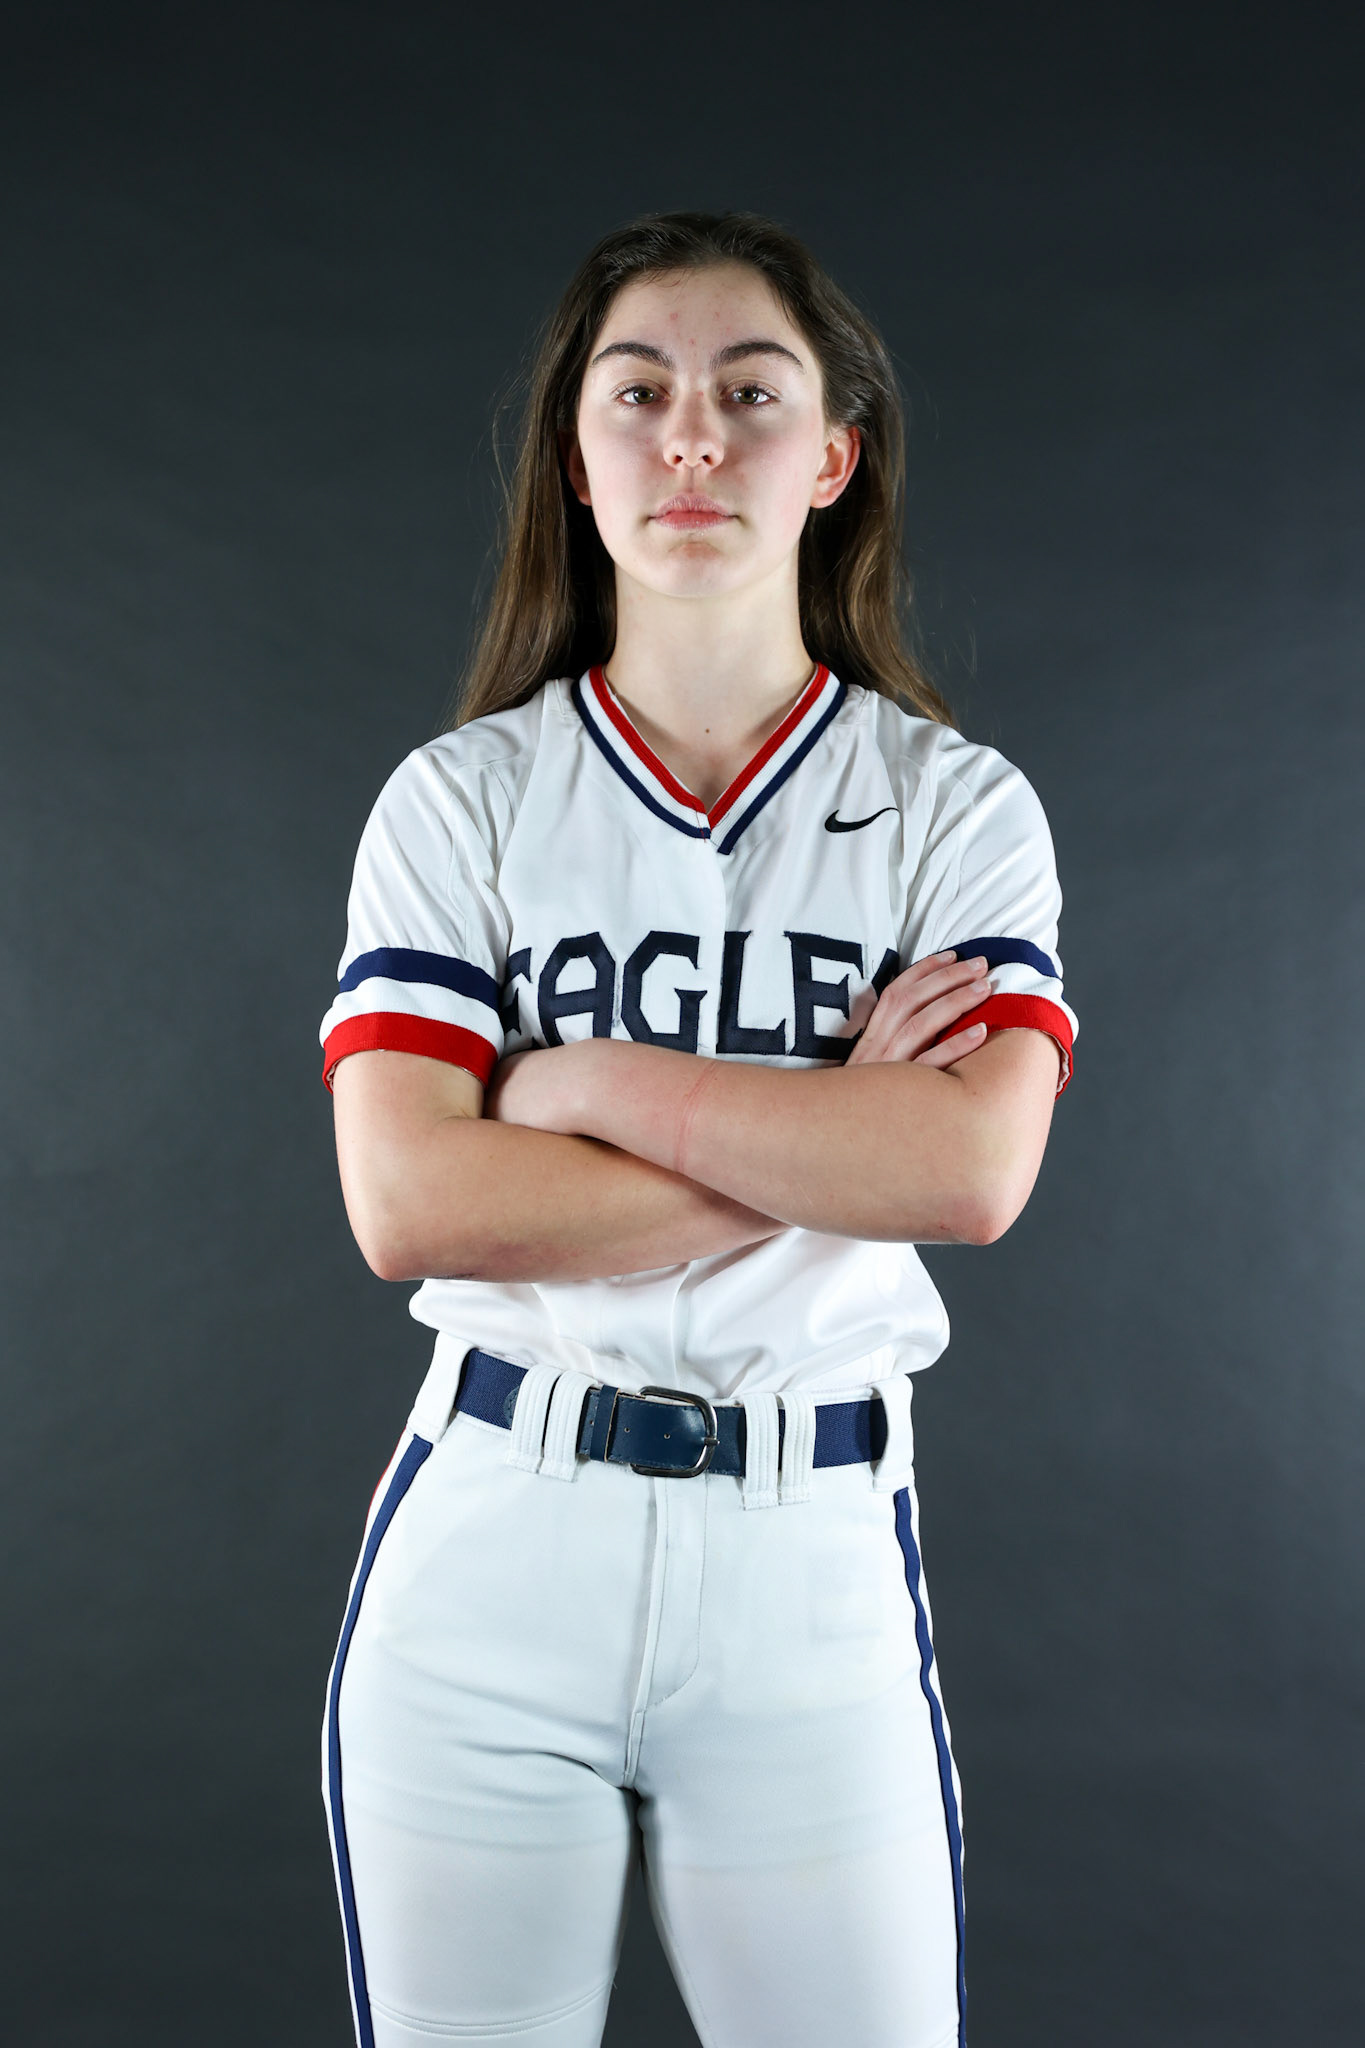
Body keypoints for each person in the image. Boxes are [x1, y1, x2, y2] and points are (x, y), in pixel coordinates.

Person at [317, 209, 1076, 2048]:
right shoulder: (463, 799)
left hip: (808, 1564)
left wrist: (578, 1092)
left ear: (830, 459)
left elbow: (964, 1174)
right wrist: (832, 1125)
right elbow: (410, 1201)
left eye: (750, 393)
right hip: (492, 1550)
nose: (690, 438)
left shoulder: (952, 806)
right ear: (576, 462)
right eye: (636, 393)